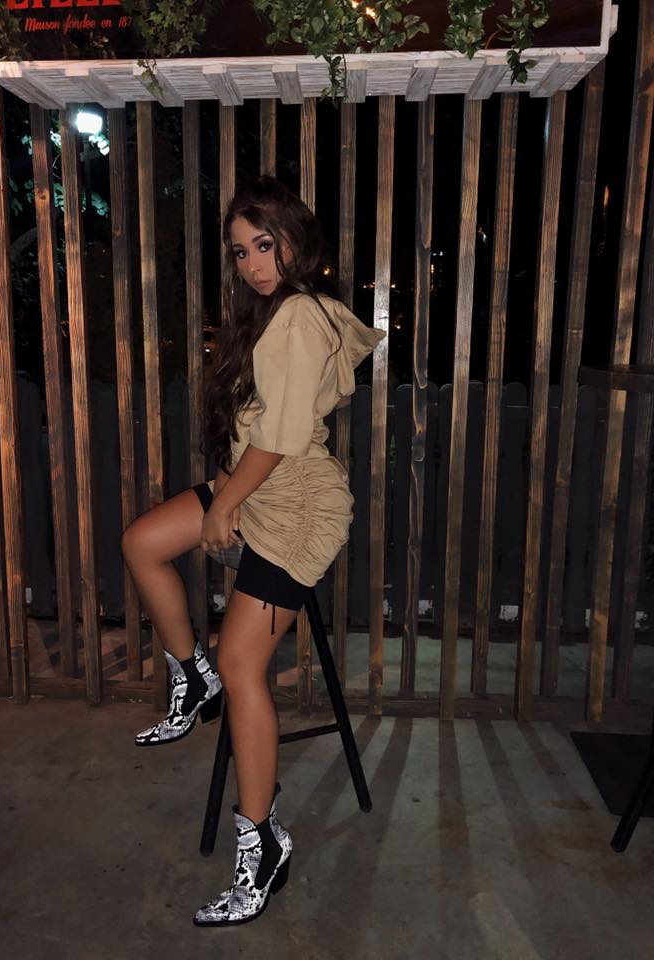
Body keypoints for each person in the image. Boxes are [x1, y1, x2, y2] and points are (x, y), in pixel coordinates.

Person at [121, 176, 385, 927]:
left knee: (245, 668)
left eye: (264, 244)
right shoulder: (278, 312)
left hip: (294, 506)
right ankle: (191, 676)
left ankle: (262, 842)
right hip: (257, 484)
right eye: (241, 252)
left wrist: (223, 505)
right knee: (143, 542)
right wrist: (229, 495)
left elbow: (279, 439)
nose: (254, 263)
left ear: (295, 238)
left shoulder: (298, 316)